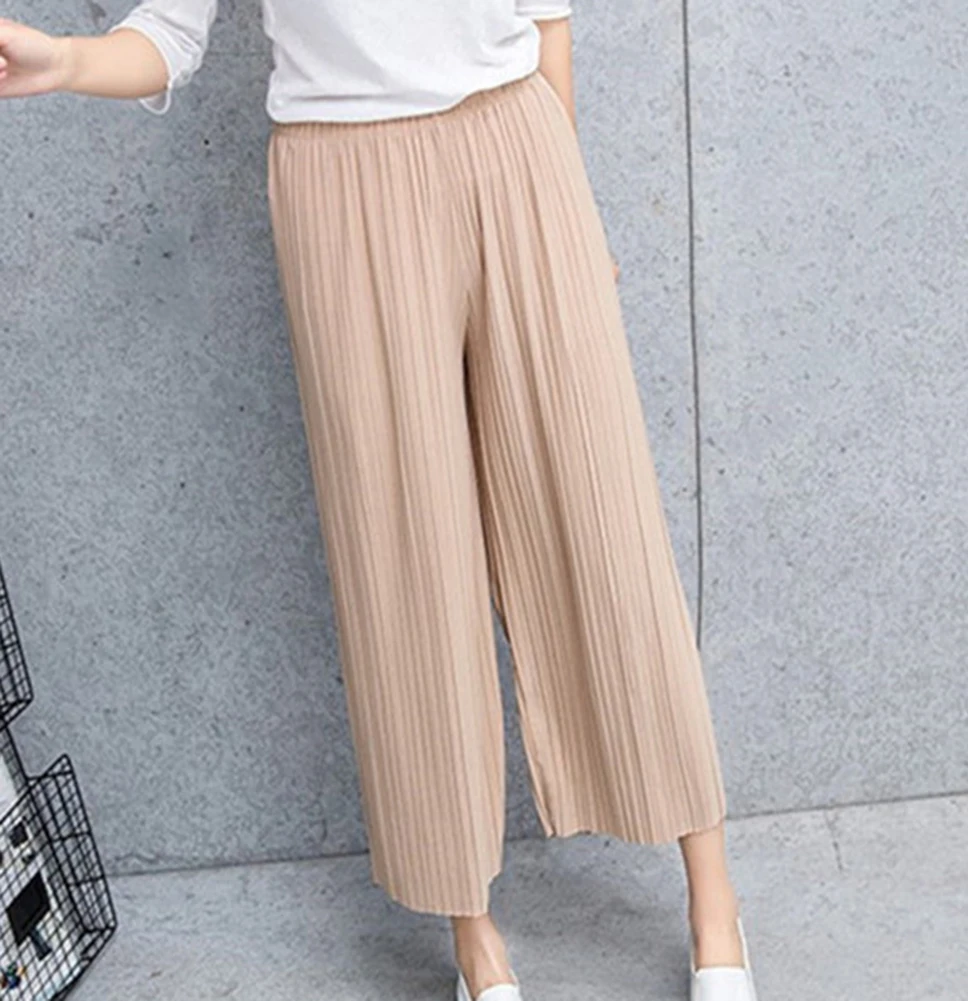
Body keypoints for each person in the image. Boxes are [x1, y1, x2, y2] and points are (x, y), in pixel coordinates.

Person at [0, 4, 758, 1000]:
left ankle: (713, 902)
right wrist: (63, 61)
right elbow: (172, 34)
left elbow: (547, 15)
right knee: (408, 561)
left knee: (603, 527)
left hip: (517, 150)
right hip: (341, 184)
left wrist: (571, 195)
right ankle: (474, 941)